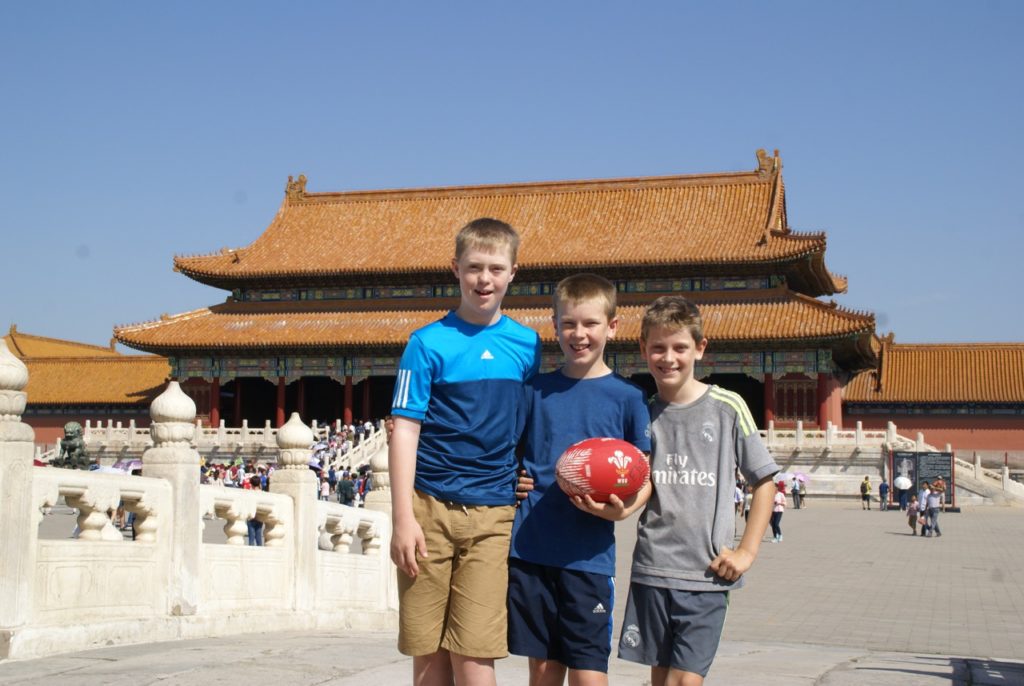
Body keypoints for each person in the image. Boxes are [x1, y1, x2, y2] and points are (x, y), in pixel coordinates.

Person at [388, 217, 542, 686]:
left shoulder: (527, 344)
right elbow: (405, 429)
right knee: (429, 655)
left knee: (477, 655)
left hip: (492, 514)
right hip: (428, 507)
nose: (485, 279)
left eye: (496, 268)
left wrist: (526, 470)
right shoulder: (426, 344)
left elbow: (528, 421)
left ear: (513, 272)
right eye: (475, 267)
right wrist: (402, 518)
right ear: (455, 269)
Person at [607, 295, 780, 686]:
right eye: (658, 348)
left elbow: (764, 481)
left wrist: (747, 551)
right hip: (653, 568)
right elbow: (641, 485)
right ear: (643, 350)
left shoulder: (727, 407)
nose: (669, 358)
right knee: (661, 677)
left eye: (680, 347)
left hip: (706, 573)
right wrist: (615, 509)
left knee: (685, 681)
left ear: (700, 349)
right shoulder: (643, 413)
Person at [507, 274, 651, 686]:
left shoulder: (629, 397)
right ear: (554, 326)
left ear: (612, 326)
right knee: (544, 670)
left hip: (588, 556)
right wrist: (512, 481)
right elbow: (511, 456)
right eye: (569, 324)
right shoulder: (536, 391)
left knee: (589, 673)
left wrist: (626, 507)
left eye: (590, 323)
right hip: (531, 549)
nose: (579, 334)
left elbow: (645, 472)